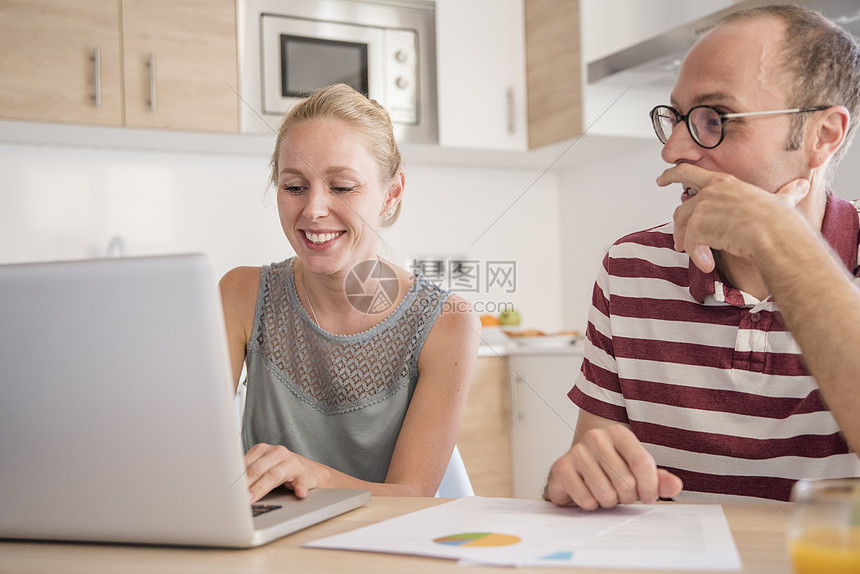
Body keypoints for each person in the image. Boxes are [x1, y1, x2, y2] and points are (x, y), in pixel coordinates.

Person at [545, 5, 860, 509]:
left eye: (716, 118)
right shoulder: (632, 268)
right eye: (675, 117)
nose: (673, 151)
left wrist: (780, 242)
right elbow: (594, 473)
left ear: (823, 135)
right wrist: (579, 481)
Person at [219, 83, 480, 502]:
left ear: (391, 194)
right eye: (294, 187)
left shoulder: (448, 321)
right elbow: (192, 449)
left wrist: (313, 476)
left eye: (341, 187)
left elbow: (410, 496)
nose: (313, 210)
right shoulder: (241, 294)